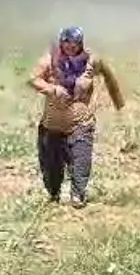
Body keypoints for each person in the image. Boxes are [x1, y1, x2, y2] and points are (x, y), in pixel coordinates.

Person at [28, 26, 125, 208]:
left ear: (81, 44)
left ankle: (78, 195)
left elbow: (110, 78)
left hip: (81, 123)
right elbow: (33, 79)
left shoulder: (92, 62)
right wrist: (53, 89)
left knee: (81, 161)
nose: (70, 48)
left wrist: (119, 105)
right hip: (52, 125)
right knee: (51, 171)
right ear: (61, 43)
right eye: (67, 44)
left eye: (75, 45)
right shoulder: (49, 60)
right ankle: (53, 196)